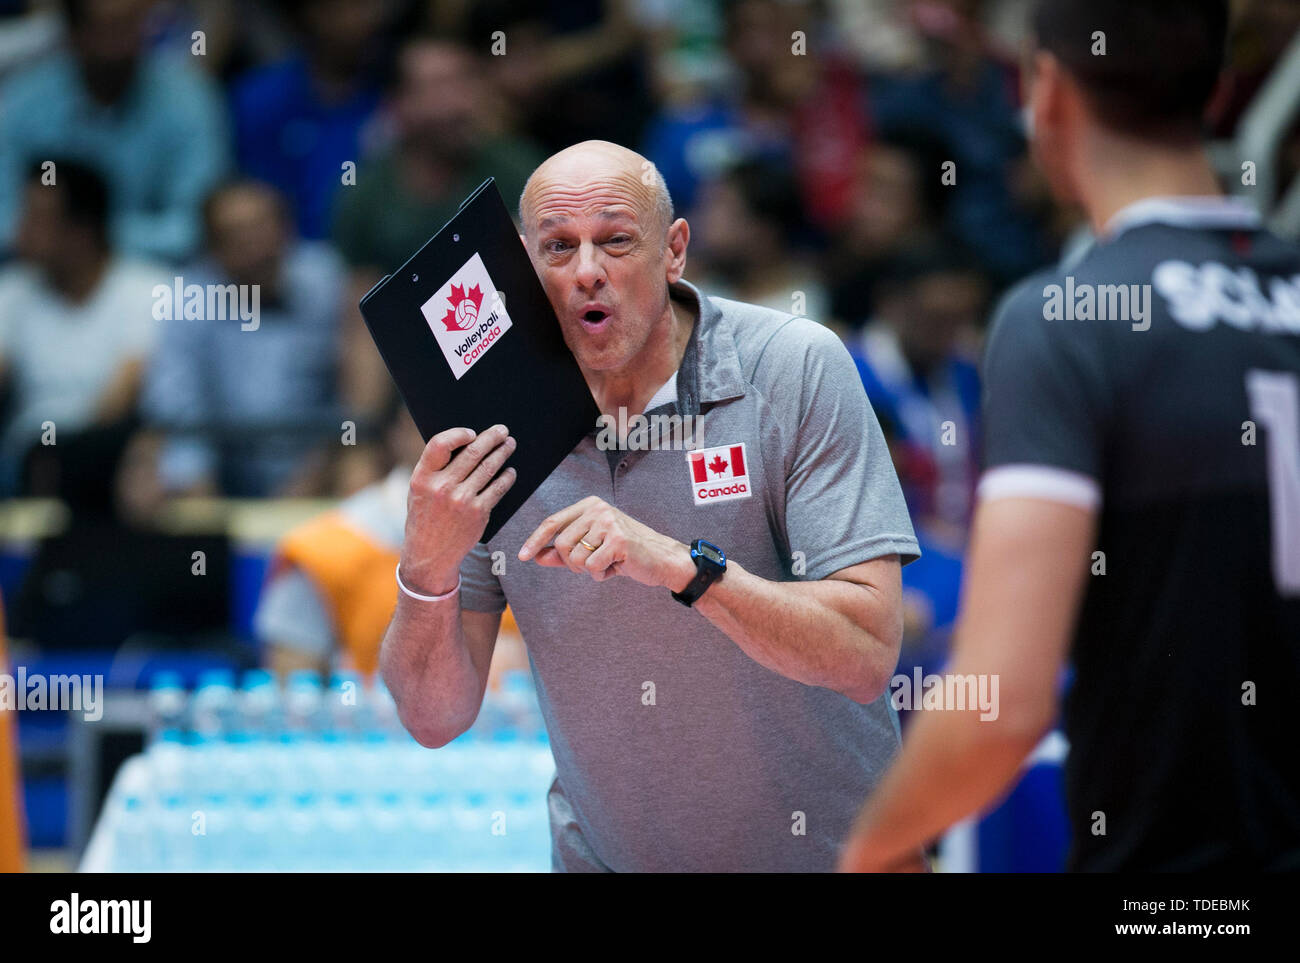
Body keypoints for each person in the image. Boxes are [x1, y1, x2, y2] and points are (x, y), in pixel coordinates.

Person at [841, 0, 1300, 872]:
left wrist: (869, 848)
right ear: (1221, 89)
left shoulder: (1069, 316)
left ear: (1046, 92)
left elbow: (1002, 704)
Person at [381, 140, 919, 872]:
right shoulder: (492, 424)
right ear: (523, 271)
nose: (587, 271)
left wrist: (675, 562)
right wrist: (427, 566)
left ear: (674, 251)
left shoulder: (791, 366)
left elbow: (865, 652)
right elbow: (433, 717)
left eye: (616, 241)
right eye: (558, 248)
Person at [142, 180, 343, 497]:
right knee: (148, 477)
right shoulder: (189, 299)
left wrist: (319, 467)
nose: (255, 246)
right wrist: (197, 488)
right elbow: (178, 408)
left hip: (318, 459)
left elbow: (352, 393)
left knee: (359, 461)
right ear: (212, 250)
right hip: (223, 466)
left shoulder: (327, 281)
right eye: (235, 236)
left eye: (262, 227)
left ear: (287, 229)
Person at [0, 0, 229, 263]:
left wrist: (87, 237)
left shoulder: (190, 98)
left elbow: (195, 223)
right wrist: (45, 237)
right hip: (37, 269)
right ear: (73, 34)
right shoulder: (24, 100)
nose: (121, 44)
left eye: (130, 26)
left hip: (156, 272)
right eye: (106, 29)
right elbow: (5, 213)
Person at [0, 158, 161, 504]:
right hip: (25, 458)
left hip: (105, 456)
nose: (19, 231)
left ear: (81, 230)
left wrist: (67, 457)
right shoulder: (11, 291)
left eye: (36, 219)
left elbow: (120, 398)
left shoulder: (146, 290)